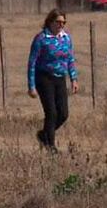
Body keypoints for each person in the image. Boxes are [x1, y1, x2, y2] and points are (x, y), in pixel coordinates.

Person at [27, 9, 79, 153]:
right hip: (44, 78)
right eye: (58, 22)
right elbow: (32, 62)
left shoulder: (66, 38)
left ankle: (44, 135)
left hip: (60, 78)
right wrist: (31, 86)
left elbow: (70, 59)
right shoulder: (41, 39)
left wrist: (74, 79)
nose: (61, 25)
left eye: (63, 22)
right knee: (51, 113)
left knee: (63, 113)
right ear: (50, 22)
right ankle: (50, 146)